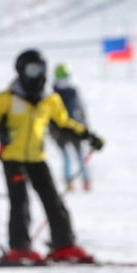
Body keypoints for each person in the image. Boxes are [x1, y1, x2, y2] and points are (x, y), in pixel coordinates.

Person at [0, 48, 105, 265]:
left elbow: (64, 122)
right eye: (31, 69)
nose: (36, 74)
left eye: (40, 69)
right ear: (21, 70)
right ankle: (19, 248)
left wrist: (87, 135)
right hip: (13, 158)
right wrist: (0, 131)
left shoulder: (49, 100)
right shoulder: (7, 98)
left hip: (37, 157)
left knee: (53, 201)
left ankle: (64, 245)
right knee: (20, 203)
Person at [49, 63, 91, 191]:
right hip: (60, 130)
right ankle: (69, 181)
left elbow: (80, 109)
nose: (63, 80)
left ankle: (86, 180)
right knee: (66, 157)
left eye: (65, 76)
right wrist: (52, 130)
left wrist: (84, 126)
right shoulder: (52, 94)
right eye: (60, 76)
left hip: (75, 128)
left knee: (80, 156)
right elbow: (48, 115)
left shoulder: (73, 92)